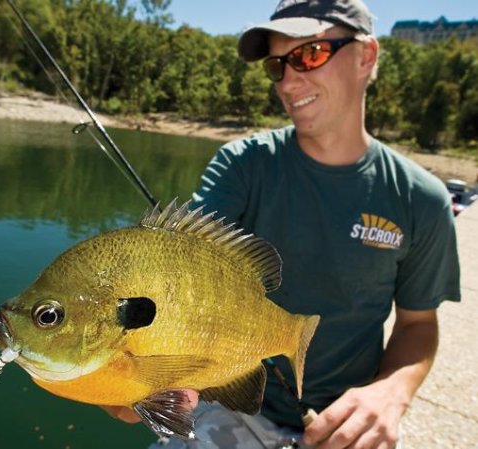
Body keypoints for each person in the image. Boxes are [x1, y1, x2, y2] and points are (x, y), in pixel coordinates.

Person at [105, 0, 461, 447]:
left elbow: (417, 325)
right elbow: (175, 269)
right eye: (277, 65)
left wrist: (392, 391)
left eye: (309, 55)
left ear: (366, 56)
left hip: (348, 423)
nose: (290, 80)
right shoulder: (242, 165)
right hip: (229, 400)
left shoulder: (421, 199)